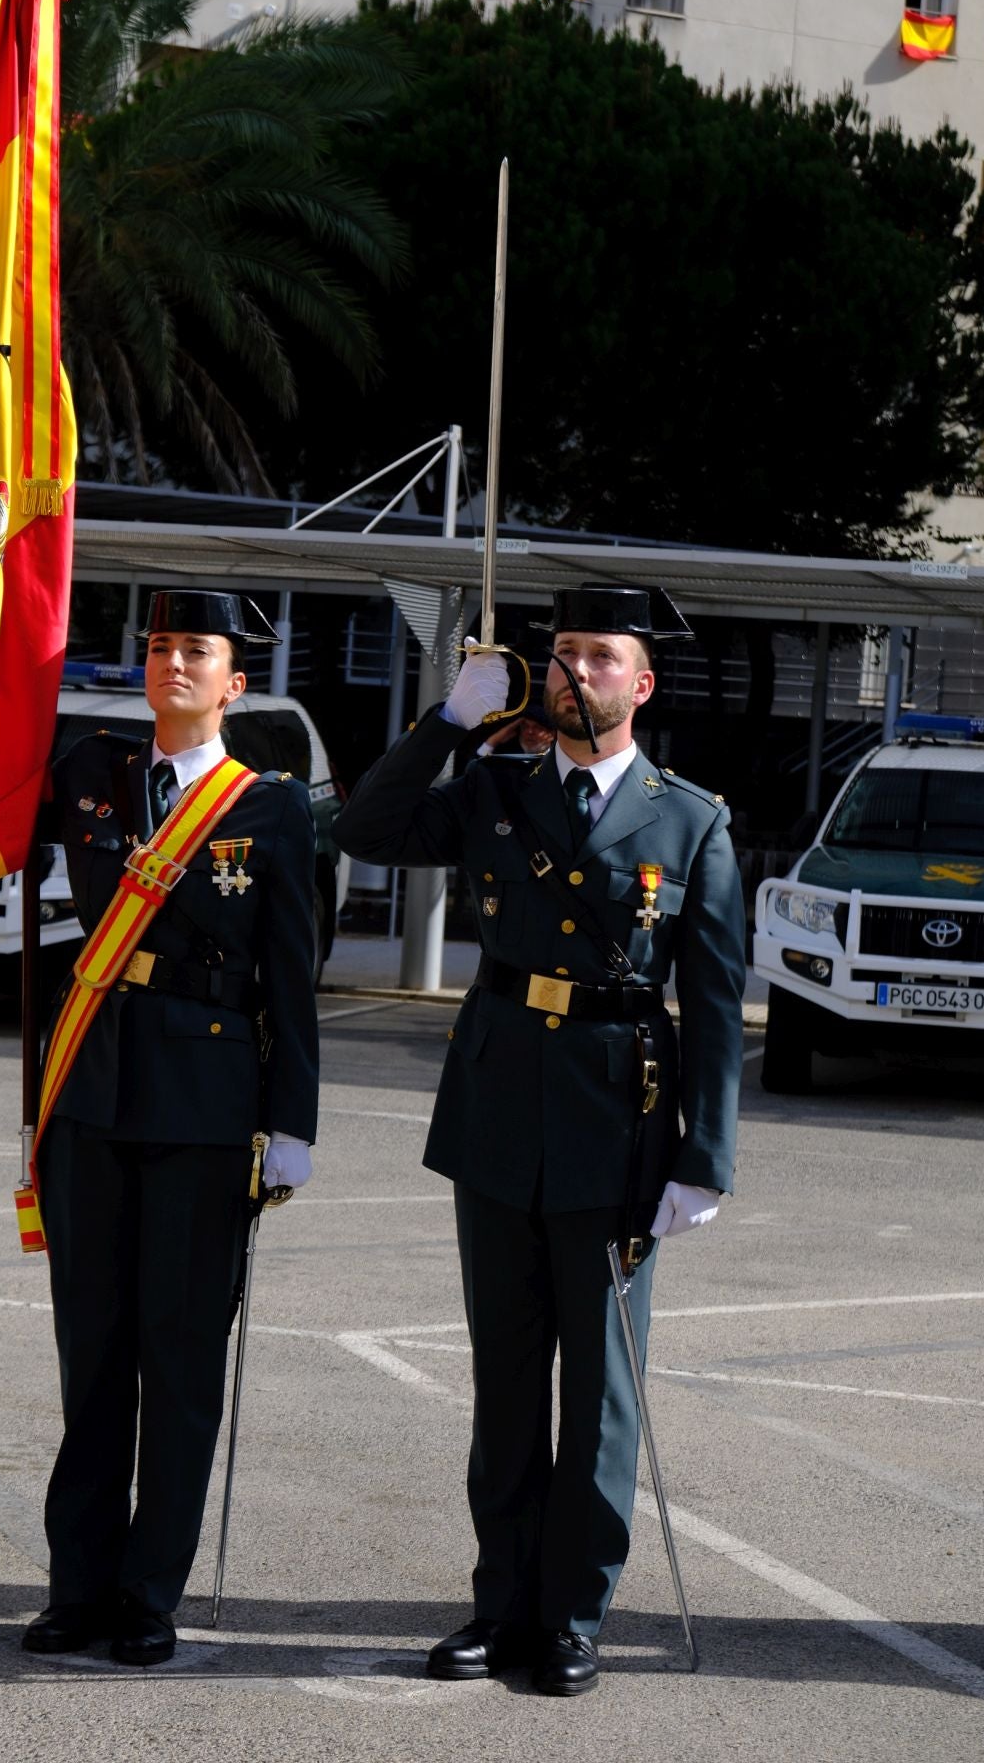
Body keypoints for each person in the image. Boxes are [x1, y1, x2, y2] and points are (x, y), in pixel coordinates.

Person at [333, 583, 744, 1697]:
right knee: (505, 1381)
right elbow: (360, 829)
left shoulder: (688, 818)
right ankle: (497, 1606)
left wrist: (703, 1158)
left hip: (618, 1126)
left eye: (598, 658)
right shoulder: (490, 787)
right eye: (559, 654)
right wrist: (445, 722)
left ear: (639, 684)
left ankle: (572, 1617)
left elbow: (711, 1005)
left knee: (598, 1390)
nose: (572, 673)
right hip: (498, 1112)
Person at [22, 589, 319, 1667]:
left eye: (195, 651)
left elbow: (291, 976)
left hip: (205, 1112)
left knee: (179, 1359)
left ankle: (149, 1597)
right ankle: (77, 1589)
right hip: (92, 1096)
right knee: (91, 1355)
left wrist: (292, 1121)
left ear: (235, 682)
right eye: (156, 648)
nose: (171, 665)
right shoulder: (91, 774)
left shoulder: (271, 808)